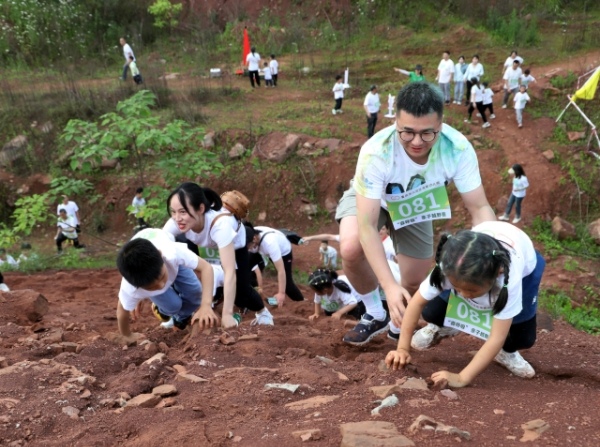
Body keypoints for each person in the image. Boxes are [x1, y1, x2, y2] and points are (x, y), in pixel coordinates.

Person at [335, 81, 496, 346]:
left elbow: (479, 208)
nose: (417, 142)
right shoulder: (377, 151)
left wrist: (493, 249)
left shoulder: (457, 149)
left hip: (417, 204)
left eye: (427, 134)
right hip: (372, 201)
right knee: (351, 247)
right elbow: (366, 224)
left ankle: (400, 319)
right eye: (407, 133)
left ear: (440, 125)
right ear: (395, 121)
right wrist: (387, 285)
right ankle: (375, 312)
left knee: (413, 279)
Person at [385, 221, 545, 386]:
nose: (464, 295)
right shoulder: (452, 262)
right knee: (432, 312)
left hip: (525, 269)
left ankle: (506, 353)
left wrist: (462, 378)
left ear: (497, 275)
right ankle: (446, 326)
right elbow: (417, 303)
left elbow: (497, 337)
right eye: (457, 288)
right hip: (472, 264)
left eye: (471, 292)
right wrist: (402, 349)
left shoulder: (510, 280)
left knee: (521, 337)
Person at [163, 183, 274, 328]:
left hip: (234, 244)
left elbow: (229, 272)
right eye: (173, 212)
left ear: (201, 209)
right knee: (177, 262)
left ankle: (262, 312)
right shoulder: (177, 223)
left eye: (183, 212)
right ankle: (185, 313)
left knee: (241, 290)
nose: (177, 218)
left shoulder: (221, 226)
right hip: (197, 241)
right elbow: (160, 247)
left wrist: (227, 315)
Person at [116, 228, 217, 344]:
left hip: (175, 267)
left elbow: (206, 268)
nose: (161, 285)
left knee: (195, 292)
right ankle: (166, 311)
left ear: (160, 255)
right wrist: (127, 335)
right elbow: (121, 312)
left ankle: (182, 317)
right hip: (159, 270)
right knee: (173, 306)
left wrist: (206, 306)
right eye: (151, 287)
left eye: (162, 277)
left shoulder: (172, 253)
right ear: (136, 286)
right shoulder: (130, 288)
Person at [245, 223, 304, 306]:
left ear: (254, 239)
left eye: (248, 246)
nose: (247, 249)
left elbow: (281, 270)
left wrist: (281, 293)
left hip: (283, 252)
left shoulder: (270, 243)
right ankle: (254, 297)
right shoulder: (248, 233)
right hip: (260, 248)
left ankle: (302, 302)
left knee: (287, 285)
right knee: (247, 272)